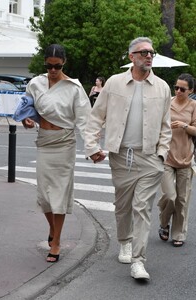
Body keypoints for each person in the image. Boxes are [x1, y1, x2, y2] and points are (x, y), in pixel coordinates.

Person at [85, 37, 172, 280]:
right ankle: (124, 241)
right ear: (131, 56)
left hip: (150, 158)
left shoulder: (162, 87)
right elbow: (95, 117)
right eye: (143, 52)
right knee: (123, 206)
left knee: (142, 207)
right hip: (121, 156)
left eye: (151, 52)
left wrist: (162, 154)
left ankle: (138, 260)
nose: (149, 55)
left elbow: (166, 127)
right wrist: (92, 145)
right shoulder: (114, 83)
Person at [22, 44, 91, 263]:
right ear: (45, 63)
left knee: (59, 195)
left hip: (64, 144)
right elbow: (26, 111)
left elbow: (85, 121)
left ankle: (57, 242)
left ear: (64, 63)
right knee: (44, 196)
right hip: (44, 142)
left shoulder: (74, 88)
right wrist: (27, 120)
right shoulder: (35, 84)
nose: (53, 70)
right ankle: (53, 229)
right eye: (49, 66)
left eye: (57, 66)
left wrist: (93, 148)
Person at [158, 73, 196, 247]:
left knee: (182, 200)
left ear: (191, 90)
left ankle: (178, 233)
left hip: (186, 158)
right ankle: (164, 223)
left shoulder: (193, 106)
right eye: (176, 87)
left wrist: (184, 125)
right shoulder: (168, 103)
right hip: (166, 156)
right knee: (170, 196)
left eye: (182, 89)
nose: (178, 91)